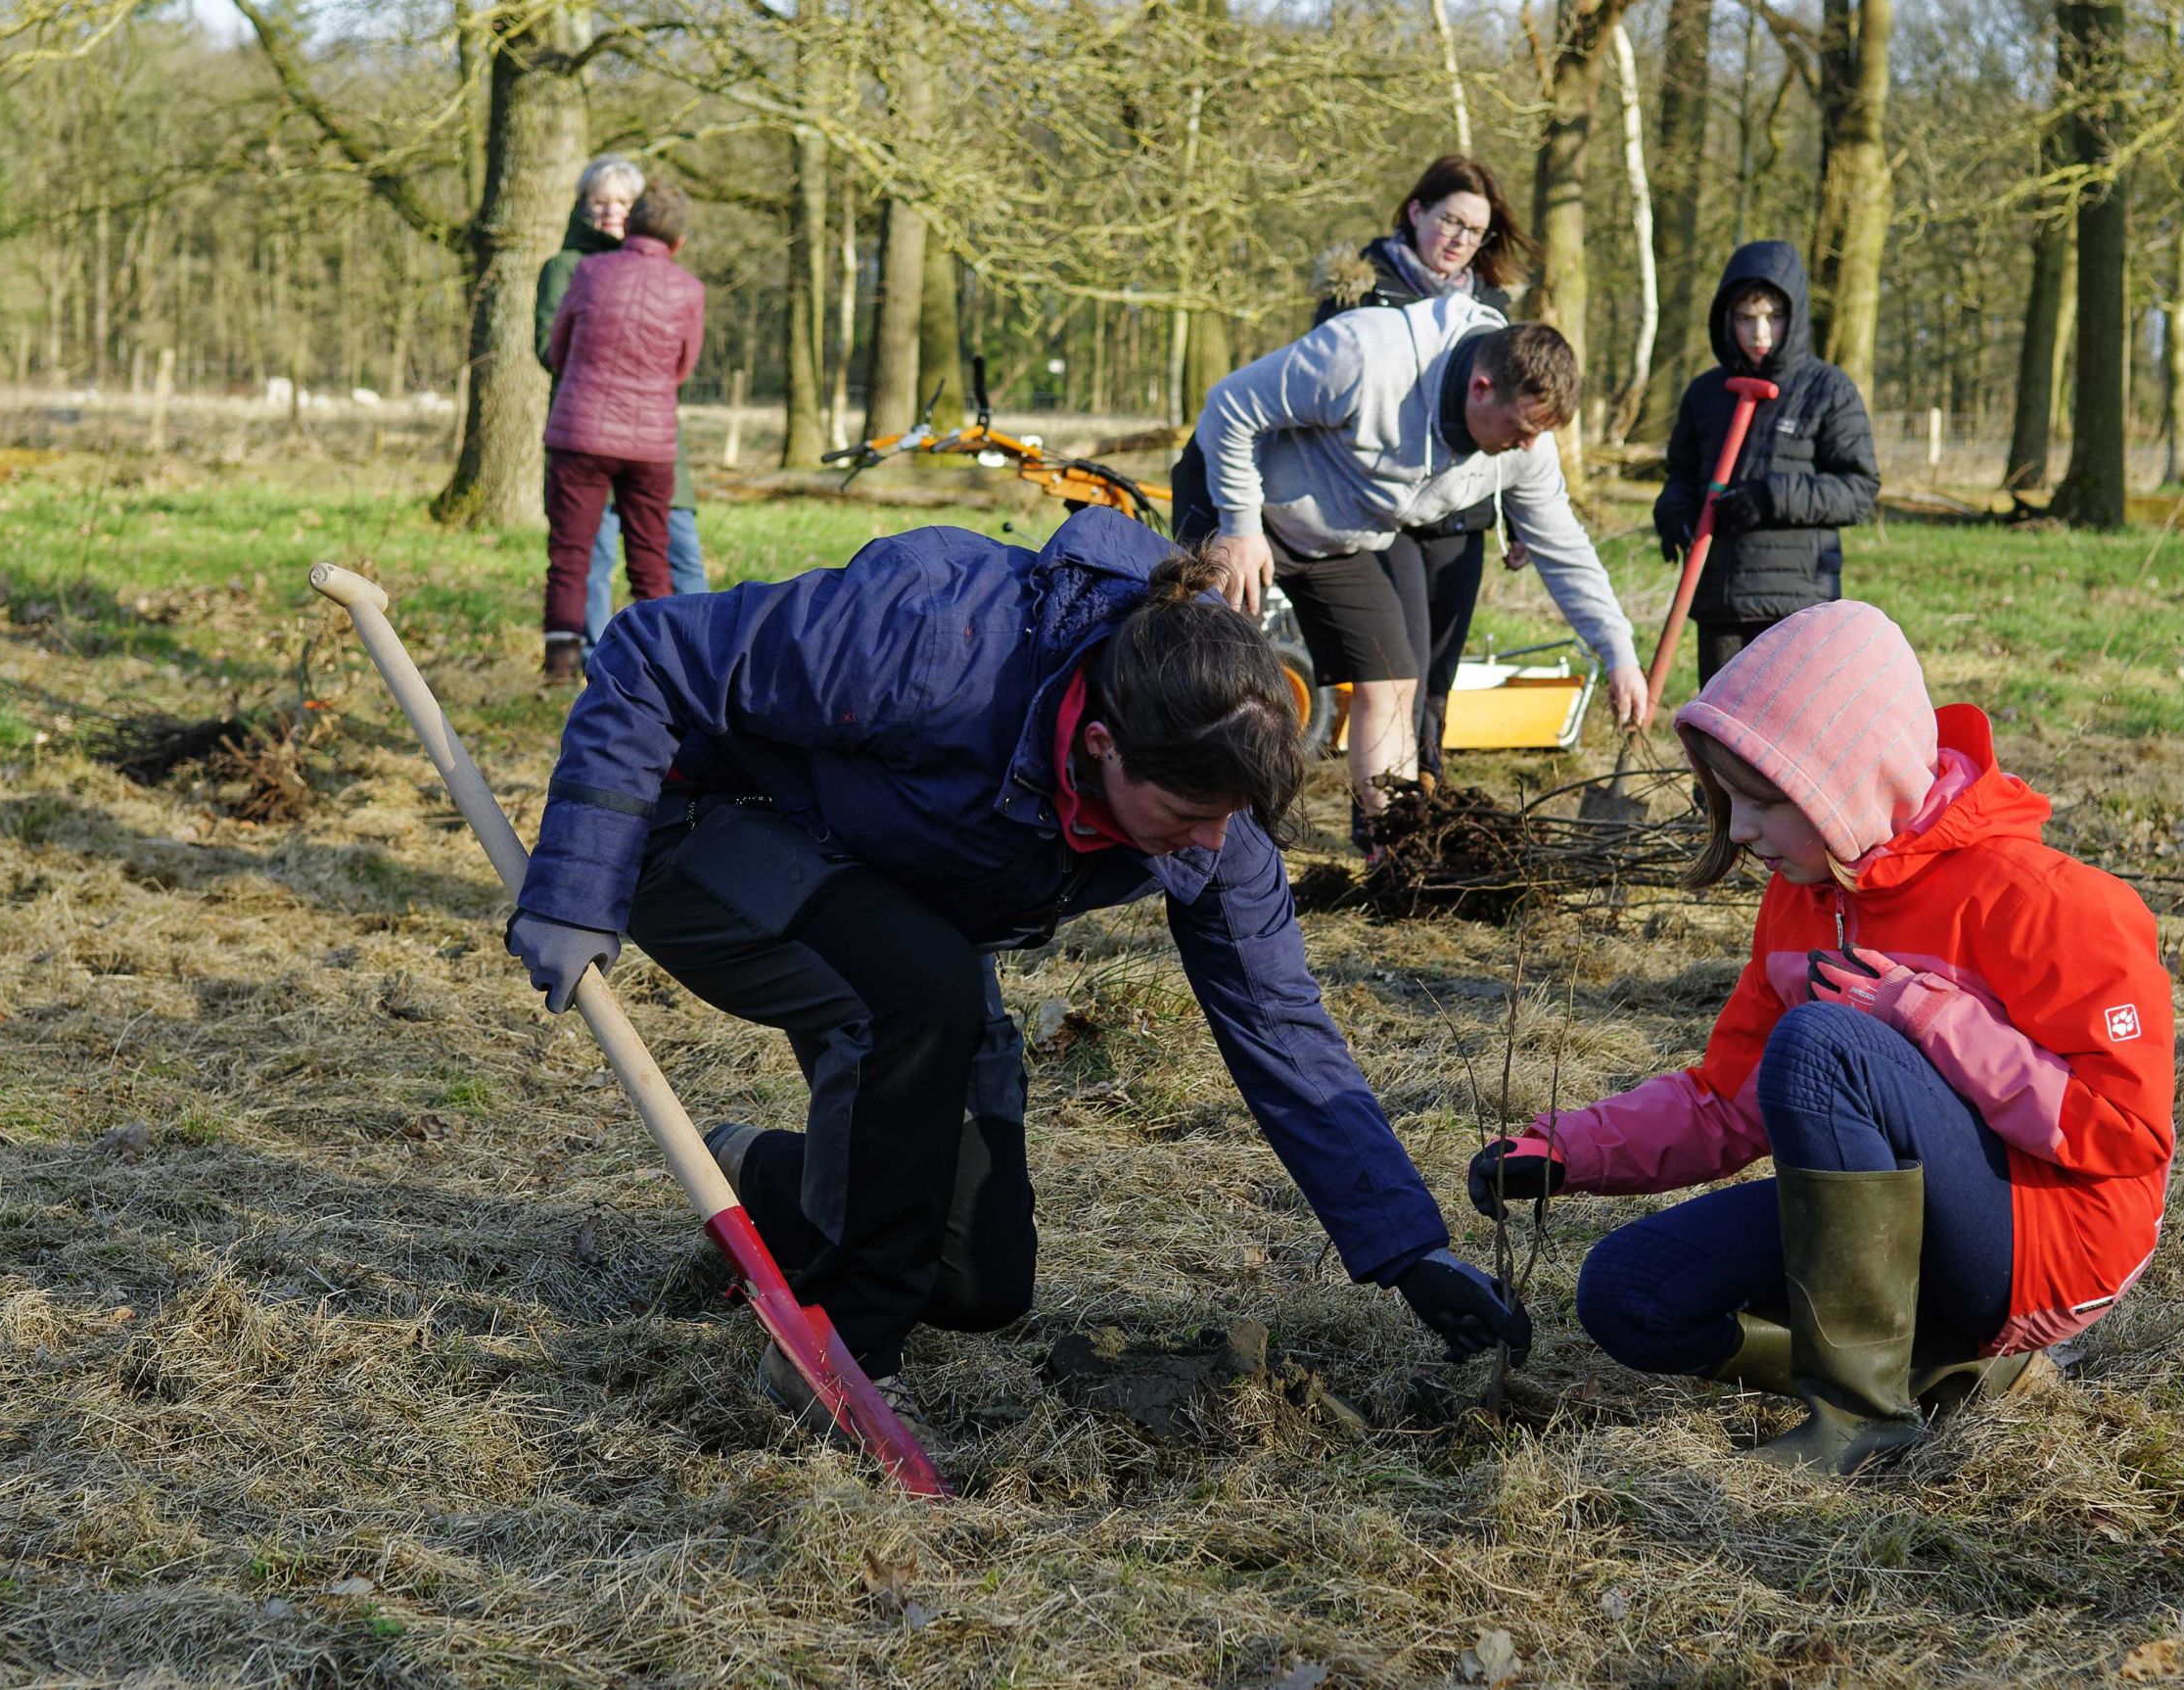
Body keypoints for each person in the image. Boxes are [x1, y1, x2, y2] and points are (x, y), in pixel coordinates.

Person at [501, 508, 1533, 1432]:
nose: (1205, 847)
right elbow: (651, 652)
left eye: (1223, 825)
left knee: (978, 1280)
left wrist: (1409, 1248)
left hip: (889, 898)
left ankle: (759, 1173)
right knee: (923, 998)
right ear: (1096, 745)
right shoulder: (935, 632)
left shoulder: (1210, 826)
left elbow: (1284, 1032)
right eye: (1182, 818)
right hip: (696, 823)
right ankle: (842, 1357)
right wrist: (575, 886)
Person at [1467, 603, 2174, 1476]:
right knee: (1630, 1296)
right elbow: (1727, 1102)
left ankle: (1861, 1417)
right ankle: (1948, 1372)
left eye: (1763, 801)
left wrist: (1929, 1016)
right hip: (1893, 1243)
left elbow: (2128, 1134)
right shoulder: (1804, 900)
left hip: (2046, 1244)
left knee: (1824, 1040)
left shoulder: (2049, 900)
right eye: (1727, 801)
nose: (1739, 830)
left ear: (1851, 780)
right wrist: (1565, 1150)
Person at [1173, 301, 1650, 849]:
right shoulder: (1366, 356)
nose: (1528, 446)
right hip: (1239, 503)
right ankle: (1180, 827)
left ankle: (1394, 853)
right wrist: (1239, 524)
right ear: (1482, 387)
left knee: (1394, 681)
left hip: (1340, 536)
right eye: (1521, 429)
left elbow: (1563, 546)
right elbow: (1230, 405)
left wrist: (1617, 650)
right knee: (1203, 665)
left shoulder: (1525, 450)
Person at [1312, 155, 1541, 779]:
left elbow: (1513, 414)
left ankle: (1429, 800)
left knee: (1438, 677)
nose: (1461, 242)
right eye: (1451, 222)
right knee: (1396, 671)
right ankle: (1385, 825)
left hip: (1461, 518)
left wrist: (1519, 516)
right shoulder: (1360, 290)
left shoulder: (1492, 306)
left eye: (1476, 232)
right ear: (1417, 211)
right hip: (1385, 515)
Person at [1652, 240, 1880, 684]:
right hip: (1719, 594)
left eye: (1773, 317)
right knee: (1721, 728)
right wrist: (1673, 512)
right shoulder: (1705, 394)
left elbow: (1858, 490)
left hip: (1796, 602)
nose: (1760, 333)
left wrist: (1770, 497)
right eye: (1746, 318)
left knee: (1785, 735)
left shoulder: (1827, 389)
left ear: (1792, 317)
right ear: (1725, 320)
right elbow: (1680, 474)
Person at [537, 158, 710, 653]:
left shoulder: (596, 272)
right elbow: (683, 364)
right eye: (600, 202)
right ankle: (626, 655)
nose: (611, 212)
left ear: (636, 215)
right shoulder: (573, 267)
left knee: (667, 551)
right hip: (623, 433)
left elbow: (561, 348)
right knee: (598, 556)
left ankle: (680, 651)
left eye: (622, 203)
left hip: (607, 433)